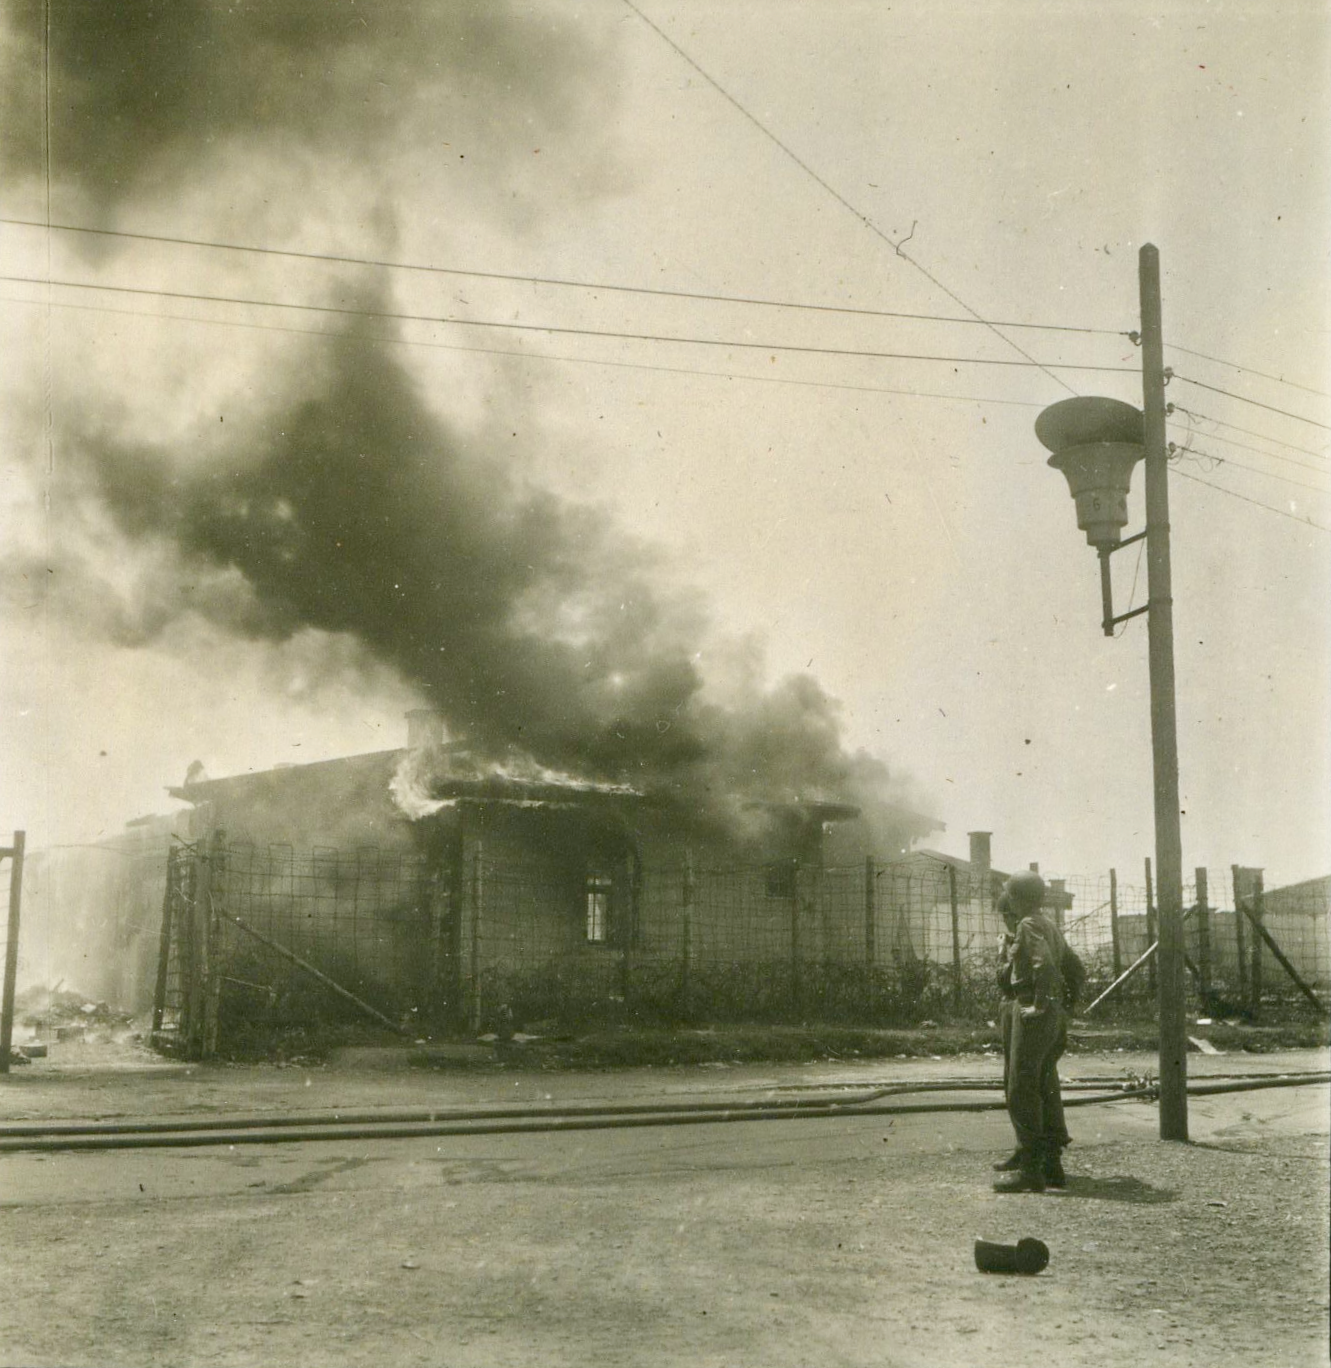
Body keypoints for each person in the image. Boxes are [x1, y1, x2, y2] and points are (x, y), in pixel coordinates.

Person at [991, 869, 1086, 1193]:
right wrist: (1063, 1006)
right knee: (1044, 1084)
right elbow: (1076, 968)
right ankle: (1051, 1166)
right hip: (1053, 1015)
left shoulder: (1027, 925)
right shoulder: (1049, 924)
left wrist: (1040, 1004)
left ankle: (1031, 1171)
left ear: (1016, 899)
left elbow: (1042, 964)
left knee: (1021, 1087)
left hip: (1032, 1008)